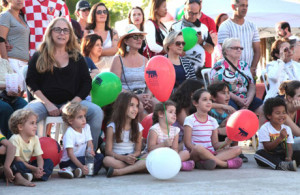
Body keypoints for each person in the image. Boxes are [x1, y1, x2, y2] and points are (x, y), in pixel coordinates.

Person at [25, 17, 104, 149]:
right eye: (58, 29)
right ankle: (23, 158)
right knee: (24, 116)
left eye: (65, 30)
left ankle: (90, 155)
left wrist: (72, 104)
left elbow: (86, 83)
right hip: (44, 103)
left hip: (73, 103)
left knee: (96, 112)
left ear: (70, 35)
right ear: (50, 32)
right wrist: (48, 104)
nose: (62, 33)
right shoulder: (39, 56)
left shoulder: (77, 57)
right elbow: (31, 82)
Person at [210, 38, 265, 127]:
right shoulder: (218, 67)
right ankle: (237, 137)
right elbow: (217, 89)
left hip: (246, 98)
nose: (239, 50)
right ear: (226, 51)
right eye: (236, 48)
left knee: (264, 109)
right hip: (228, 98)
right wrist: (238, 100)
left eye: (241, 48)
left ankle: (255, 135)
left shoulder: (244, 65)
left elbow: (251, 85)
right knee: (233, 115)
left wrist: (248, 100)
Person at [183, 89, 243, 169]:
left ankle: (205, 162)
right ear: (195, 103)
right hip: (195, 153)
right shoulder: (189, 119)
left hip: (211, 152)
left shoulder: (213, 121)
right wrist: (203, 152)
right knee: (198, 147)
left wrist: (225, 142)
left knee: (238, 149)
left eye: (210, 100)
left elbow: (215, 144)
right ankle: (223, 164)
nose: (209, 102)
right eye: (205, 100)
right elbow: (187, 144)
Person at [110, 24, 154, 120]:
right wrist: (137, 97)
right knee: (139, 107)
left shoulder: (145, 60)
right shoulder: (118, 59)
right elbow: (115, 87)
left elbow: (150, 84)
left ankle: (157, 134)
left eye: (141, 37)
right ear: (125, 41)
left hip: (143, 96)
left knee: (160, 106)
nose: (139, 40)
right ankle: (138, 134)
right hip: (125, 97)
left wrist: (147, 97)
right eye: (135, 37)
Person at [103, 92, 147, 177]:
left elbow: (138, 151)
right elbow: (108, 151)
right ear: (122, 106)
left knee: (149, 157)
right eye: (131, 105)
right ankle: (136, 168)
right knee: (106, 160)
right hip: (118, 158)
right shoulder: (112, 127)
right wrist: (124, 158)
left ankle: (120, 172)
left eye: (137, 106)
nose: (135, 109)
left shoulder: (138, 127)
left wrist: (132, 157)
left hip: (132, 158)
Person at [58, 102, 104, 178]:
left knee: (100, 157)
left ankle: (81, 172)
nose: (84, 120)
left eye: (84, 116)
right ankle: (69, 169)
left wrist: (90, 150)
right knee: (84, 160)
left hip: (82, 158)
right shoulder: (69, 133)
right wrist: (82, 166)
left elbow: (90, 142)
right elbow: (71, 155)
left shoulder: (86, 127)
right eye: (80, 117)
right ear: (70, 120)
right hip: (68, 161)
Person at [170, 0, 214, 77]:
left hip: (200, 71)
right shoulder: (175, 27)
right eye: (190, 12)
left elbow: (211, 50)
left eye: (196, 13)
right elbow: (167, 47)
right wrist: (178, 51)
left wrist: (202, 42)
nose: (193, 16)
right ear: (184, 10)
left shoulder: (203, 28)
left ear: (199, 12)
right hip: (180, 70)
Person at [254, 97, 300, 171]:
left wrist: (289, 157)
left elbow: (289, 146)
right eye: (278, 113)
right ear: (269, 115)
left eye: (284, 112)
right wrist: (280, 138)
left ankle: (288, 164)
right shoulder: (265, 128)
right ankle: (280, 165)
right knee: (259, 154)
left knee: (298, 153)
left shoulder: (287, 128)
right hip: (269, 155)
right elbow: (267, 148)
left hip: (281, 155)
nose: (282, 115)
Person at [218, 0, 260, 78]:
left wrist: (252, 68)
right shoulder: (225, 26)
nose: (245, 8)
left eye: (246, 6)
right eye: (242, 5)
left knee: (251, 89)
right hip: (231, 72)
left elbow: (257, 50)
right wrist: (235, 70)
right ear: (233, 6)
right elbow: (225, 51)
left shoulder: (252, 26)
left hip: (249, 71)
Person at [147, 101, 194, 171]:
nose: (174, 115)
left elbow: (175, 148)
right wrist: (163, 144)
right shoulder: (154, 130)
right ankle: (179, 165)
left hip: (169, 156)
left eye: (175, 112)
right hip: (157, 156)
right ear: (160, 114)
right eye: (170, 112)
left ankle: (171, 164)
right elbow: (150, 149)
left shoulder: (175, 130)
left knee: (186, 153)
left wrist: (173, 156)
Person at [208, 82, 248, 163]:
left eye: (228, 93)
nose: (227, 96)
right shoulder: (210, 110)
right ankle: (221, 156)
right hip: (212, 139)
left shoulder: (229, 110)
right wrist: (222, 126)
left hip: (225, 138)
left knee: (235, 125)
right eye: (223, 93)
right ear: (213, 97)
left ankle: (233, 149)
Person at [9, 109, 54, 181]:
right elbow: (17, 159)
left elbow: (39, 157)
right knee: (18, 164)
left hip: (28, 165)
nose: (35, 126)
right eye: (32, 123)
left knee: (49, 162)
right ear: (20, 127)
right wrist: (34, 168)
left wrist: (40, 168)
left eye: (36, 123)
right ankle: (30, 175)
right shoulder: (15, 138)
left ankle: (36, 175)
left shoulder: (35, 138)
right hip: (18, 164)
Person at [0, 0, 30, 89]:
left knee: (22, 95)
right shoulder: (5, 16)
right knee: (14, 94)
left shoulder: (22, 17)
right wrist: (7, 66)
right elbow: (1, 40)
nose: (20, 0)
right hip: (12, 61)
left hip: (24, 64)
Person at [84, 3, 118, 72]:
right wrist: (108, 51)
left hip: (110, 69)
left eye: (105, 12)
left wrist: (96, 51)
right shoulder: (87, 32)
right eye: (99, 12)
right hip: (92, 68)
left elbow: (115, 50)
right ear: (93, 14)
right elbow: (85, 50)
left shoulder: (113, 32)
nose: (102, 14)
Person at [0, 58, 27, 139]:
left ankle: (24, 141)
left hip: (8, 96)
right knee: (6, 109)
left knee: (24, 106)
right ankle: (8, 142)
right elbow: (8, 84)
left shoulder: (4, 62)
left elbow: (13, 79)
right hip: (2, 96)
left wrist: (16, 88)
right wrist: (6, 86)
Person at [170, 79, 203, 143]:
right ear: (192, 94)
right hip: (175, 144)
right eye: (201, 93)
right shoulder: (179, 108)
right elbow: (193, 128)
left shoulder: (190, 107)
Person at [279, 81, 300, 148]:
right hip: (278, 147)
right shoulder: (282, 111)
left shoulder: (297, 110)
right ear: (289, 98)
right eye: (299, 96)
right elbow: (298, 133)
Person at [198, 0, 217, 68]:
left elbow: (214, 42)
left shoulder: (209, 21)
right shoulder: (182, 22)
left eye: (199, 1)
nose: (196, 3)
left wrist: (201, 41)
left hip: (206, 63)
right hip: (188, 63)